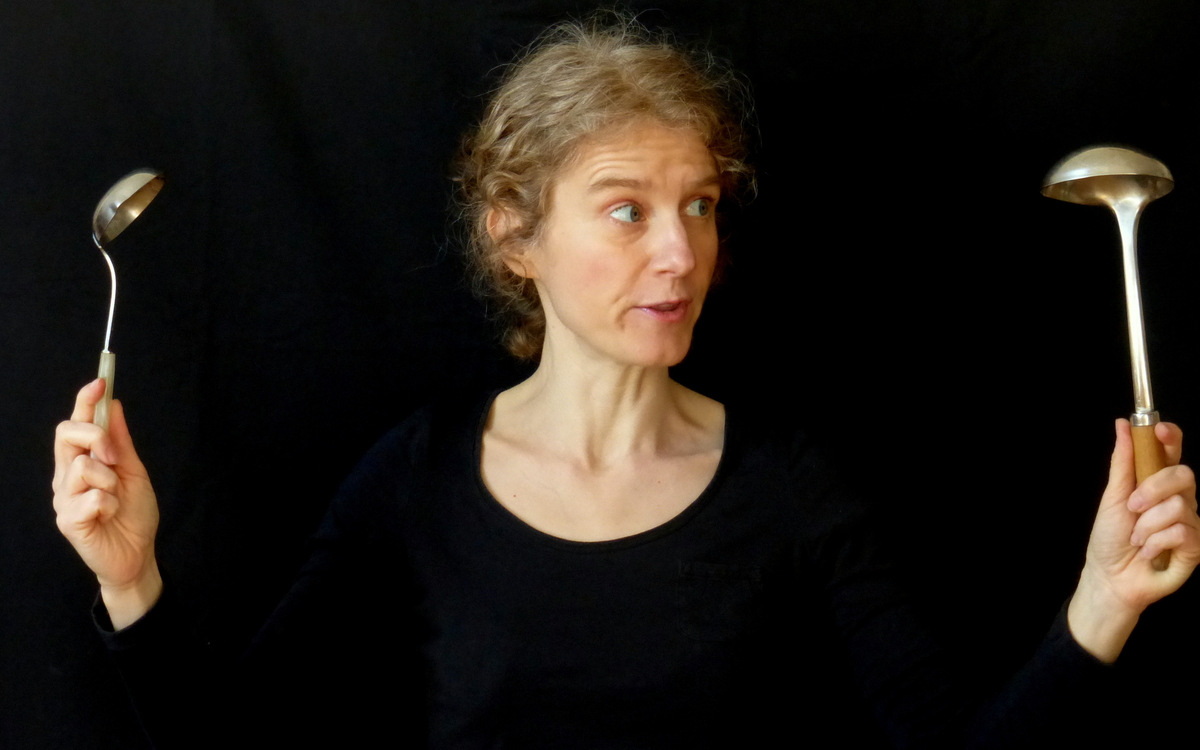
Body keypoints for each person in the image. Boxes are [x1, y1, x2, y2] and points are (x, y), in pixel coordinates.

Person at [51, 16, 1200, 749]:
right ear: (515, 236)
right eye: (625, 210)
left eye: (698, 204)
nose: (680, 254)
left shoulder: (790, 484)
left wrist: (1103, 603)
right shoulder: (414, 478)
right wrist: (130, 576)